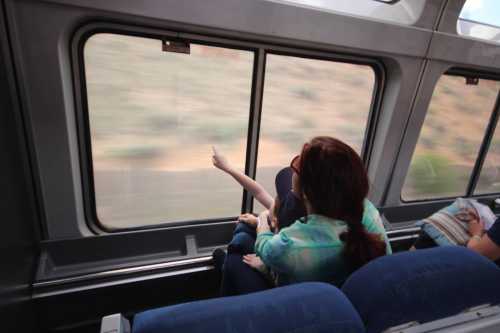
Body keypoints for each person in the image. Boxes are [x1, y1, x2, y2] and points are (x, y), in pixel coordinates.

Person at [214, 137, 392, 294]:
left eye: (297, 166)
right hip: (335, 298)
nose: (292, 170)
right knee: (243, 237)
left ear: (306, 193)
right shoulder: (367, 211)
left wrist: (262, 222)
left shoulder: (289, 244)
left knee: (237, 256)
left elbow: (268, 250)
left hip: (298, 300)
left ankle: (225, 268)